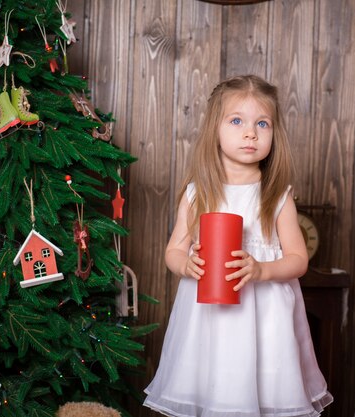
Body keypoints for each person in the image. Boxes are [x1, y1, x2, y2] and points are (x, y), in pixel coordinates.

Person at [143, 75, 332, 417]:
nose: (251, 133)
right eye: (236, 121)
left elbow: (298, 260)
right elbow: (173, 250)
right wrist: (186, 264)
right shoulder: (198, 193)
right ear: (215, 129)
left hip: (265, 318)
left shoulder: (276, 197)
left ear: (274, 134)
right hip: (208, 319)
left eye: (262, 123)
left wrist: (262, 269)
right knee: (214, 386)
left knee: (263, 390)